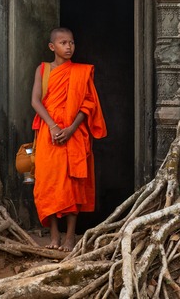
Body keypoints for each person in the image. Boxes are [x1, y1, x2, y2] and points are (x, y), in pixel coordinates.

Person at [31, 27, 107, 251]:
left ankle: (70, 236)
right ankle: (54, 234)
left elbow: (88, 104)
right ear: (52, 47)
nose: (69, 47)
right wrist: (54, 127)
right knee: (49, 183)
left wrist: (72, 128)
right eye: (63, 43)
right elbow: (36, 101)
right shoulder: (43, 70)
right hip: (48, 134)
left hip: (74, 135)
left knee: (73, 184)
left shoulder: (81, 72)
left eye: (71, 42)